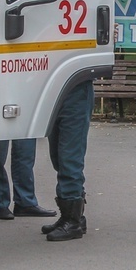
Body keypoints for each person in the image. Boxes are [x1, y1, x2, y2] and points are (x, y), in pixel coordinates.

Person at [0, 0, 56, 220]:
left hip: (25, 84)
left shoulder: (37, 4)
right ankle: (0, 202)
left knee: (25, 149)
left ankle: (26, 200)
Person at [39, 78, 95, 242]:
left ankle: (72, 222)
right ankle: (72, 217)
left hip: (75, 89)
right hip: (58, 90)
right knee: (58, 156)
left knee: (69, 158)